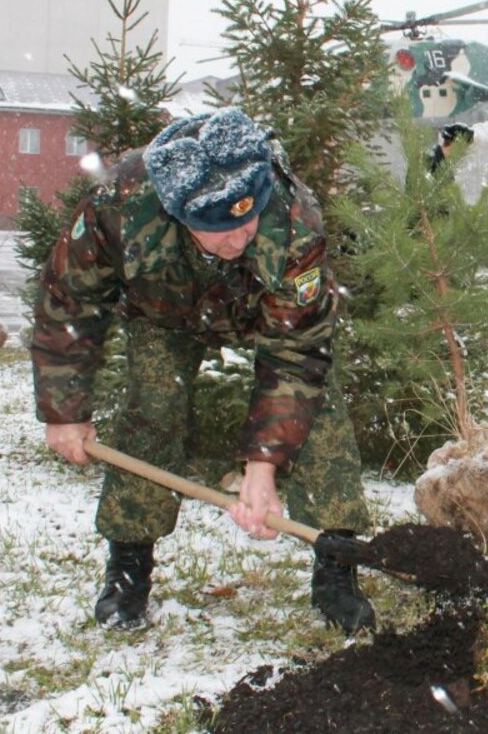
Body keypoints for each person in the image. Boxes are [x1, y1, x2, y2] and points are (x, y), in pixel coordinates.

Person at [31, 108, 376, 634]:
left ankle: (336, 565)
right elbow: (68, 299)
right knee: (153, 407)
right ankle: (128, 566)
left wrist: (262, 467)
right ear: (177, 213)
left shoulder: (295, 221)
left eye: (247, 219)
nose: (237, 239)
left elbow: (296, 354)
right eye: (216, 229)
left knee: (320, 410)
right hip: (162, 312)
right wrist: (64, 412)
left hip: (260, 307)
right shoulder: (121, 204)